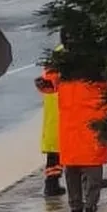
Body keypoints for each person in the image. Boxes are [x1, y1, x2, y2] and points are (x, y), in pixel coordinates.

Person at [57, 69, 107, 212]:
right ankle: (77, 210)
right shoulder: (62, 64)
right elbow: (50, 82)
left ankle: (89, 210)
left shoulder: (95, 61)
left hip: (91, 122)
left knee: (91, 166)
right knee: (72, 169)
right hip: (71, 124)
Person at [35, 42, 67, 197]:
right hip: (64, 103)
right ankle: (86, 179)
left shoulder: (56, 52)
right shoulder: (73, 53)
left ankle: (52, 182)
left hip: (53, 105)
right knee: (72, 143)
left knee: (54, 148)